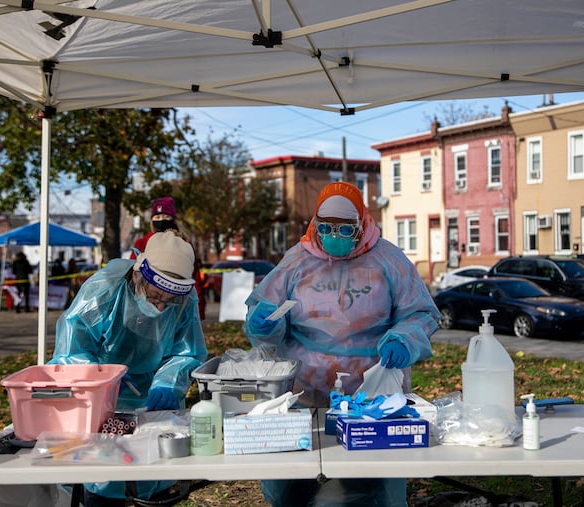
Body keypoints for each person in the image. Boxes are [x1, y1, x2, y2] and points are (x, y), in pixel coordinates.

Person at [242, 181, 439, 506]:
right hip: (306, 396)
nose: (334, 234)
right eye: (326, 227)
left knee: (372, 483)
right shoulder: (296, 261)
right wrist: (263, 324)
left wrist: (404, 339)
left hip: (373, 400)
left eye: (344, 229)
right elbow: (265, 314)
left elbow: (421, 312)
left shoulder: (388, 260)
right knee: (298, 486)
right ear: (315, 224)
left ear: (361, 225)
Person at [50, 230, 208, 506]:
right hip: (101, 398)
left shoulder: (185, 299)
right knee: (104, 478)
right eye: (156, 295)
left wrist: (169, 381)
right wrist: (100, 378)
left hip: (154, 399)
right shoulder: (104, 290)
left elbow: (188, 351)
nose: (160, 307)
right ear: (137, 275)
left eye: (168, 301)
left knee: (156, 476)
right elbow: (71, 348)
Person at [132, 196, 207, 320]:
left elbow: (194, 280)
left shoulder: (184, 245)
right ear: (151, 220)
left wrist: (198, 310)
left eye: (166, 216)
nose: (161, 220)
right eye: (157, 217)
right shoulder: (141, 243)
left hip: (173, 311)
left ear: (173, 219)